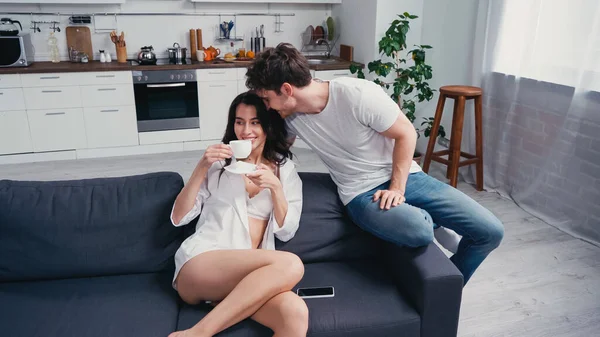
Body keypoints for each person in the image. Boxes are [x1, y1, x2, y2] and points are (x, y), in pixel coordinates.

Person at [244, 43, 504, 285]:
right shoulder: (288, 117)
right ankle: (434, 228)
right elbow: (275, 154)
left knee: (490, 232)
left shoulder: (357, 94)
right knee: (420, 230)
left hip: (408, 179)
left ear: (287, 90)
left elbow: (406, 133)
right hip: (360, 194)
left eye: (267, 99)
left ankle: (447, 291)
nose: (267, 107)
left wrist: (397, 189)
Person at [169, 92, 307, 337]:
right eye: (239, 121)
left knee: (294, 312)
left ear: (267, 125)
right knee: (292, 264)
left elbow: (287, 230)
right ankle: (200, 332)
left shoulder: (285, 172)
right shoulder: (217, 165)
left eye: (255, 122)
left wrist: (275, 188)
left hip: (247, 280)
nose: (246, 131)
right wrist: (202, 166)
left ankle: (222, 305)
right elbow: (179, 217)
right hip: (201, 262)